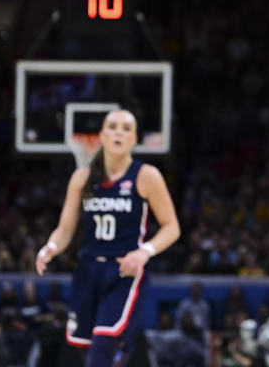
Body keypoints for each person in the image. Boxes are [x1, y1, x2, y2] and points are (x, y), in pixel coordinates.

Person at [35, 109, 180, 367]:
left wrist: (144, 251)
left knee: (101, 349)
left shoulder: (146, 176)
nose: (119, 133)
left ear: (134, 139)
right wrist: (51, 246)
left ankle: (120, 350)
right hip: (88, 270)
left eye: (126, 128)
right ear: (101, 136)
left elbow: (172, 227)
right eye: (112, 126)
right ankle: (121, 353)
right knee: (85, 349)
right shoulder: (83, 178)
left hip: (123, 271)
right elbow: (66, 228)